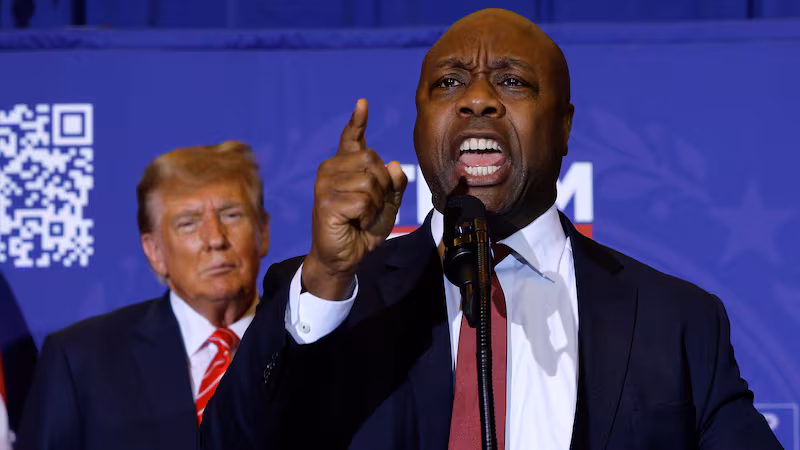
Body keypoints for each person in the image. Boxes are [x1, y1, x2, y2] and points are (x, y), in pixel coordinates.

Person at [200, 9, 781, 450]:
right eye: (449, 84)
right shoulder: (328, 295)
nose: (478, 100)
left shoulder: (676, 321)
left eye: (512, 82)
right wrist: (327, 277)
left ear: (564, 127)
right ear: (421, 122)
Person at [17, 141, 270, 450]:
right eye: (188, 223)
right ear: (155, 252)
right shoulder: (81, 361)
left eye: (231, 215)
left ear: (263, 232)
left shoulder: (312, 344)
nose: (215, 239)